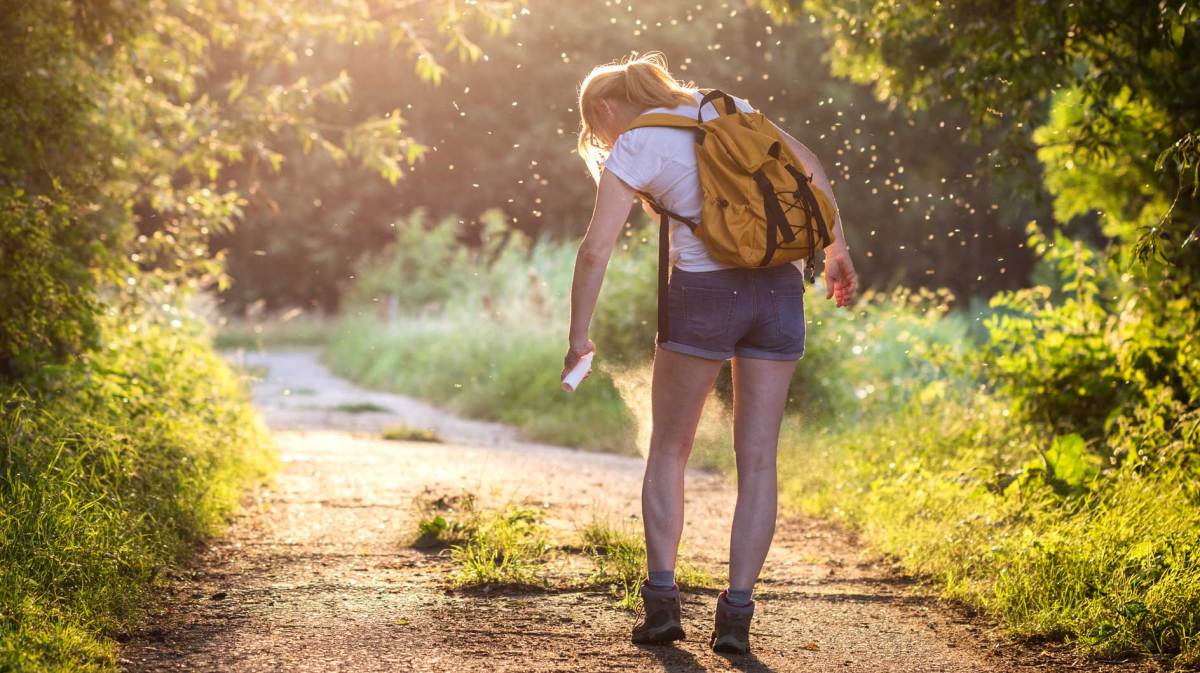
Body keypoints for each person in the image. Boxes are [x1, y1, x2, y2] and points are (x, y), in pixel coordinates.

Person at [563, 52, 858, 655]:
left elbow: (596, 251)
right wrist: (836, 251)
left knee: (669, 449)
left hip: (702, 295)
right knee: (758, 463)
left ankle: (664, 606)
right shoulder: (728, 108)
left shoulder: (637, 144)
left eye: (598, 129)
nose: (602, 139)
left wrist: (578, 336)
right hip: (779, 290)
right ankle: (736, 617)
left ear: (605, 108)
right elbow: (811, 167)